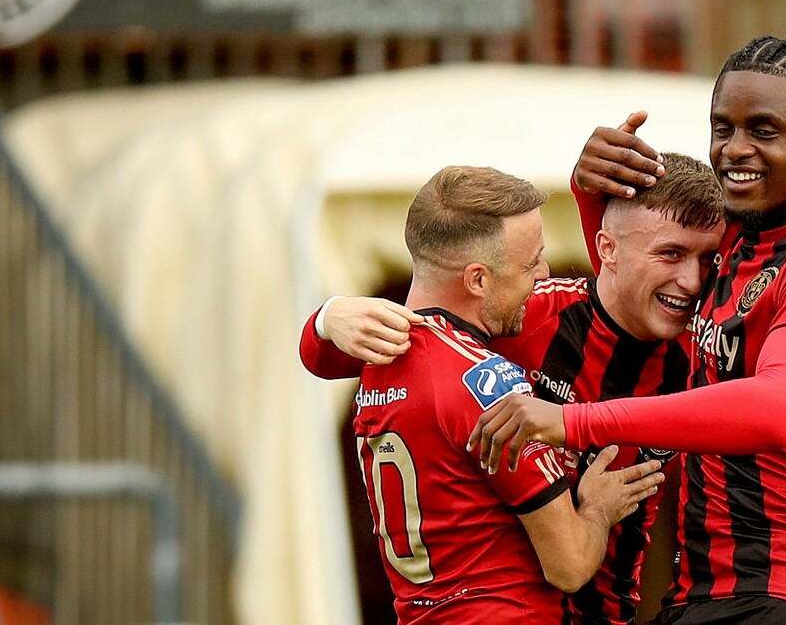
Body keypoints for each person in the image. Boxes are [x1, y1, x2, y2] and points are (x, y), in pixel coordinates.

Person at [468, 36, 786, 625]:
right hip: (706, 598)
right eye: (723, 129)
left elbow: (777, 410)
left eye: (764, 131)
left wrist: (573, 422)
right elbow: (642, 284)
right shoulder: (737, 242)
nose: (736, 150)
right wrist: (593, 196)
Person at [303, 153, 726, 624]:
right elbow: (335, 358)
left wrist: (325, 319)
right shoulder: (519, 329)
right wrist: (326, 320)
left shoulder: (712, 347)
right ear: (607, 249)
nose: (692, 280)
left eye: (710, 259)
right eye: (671, 254)